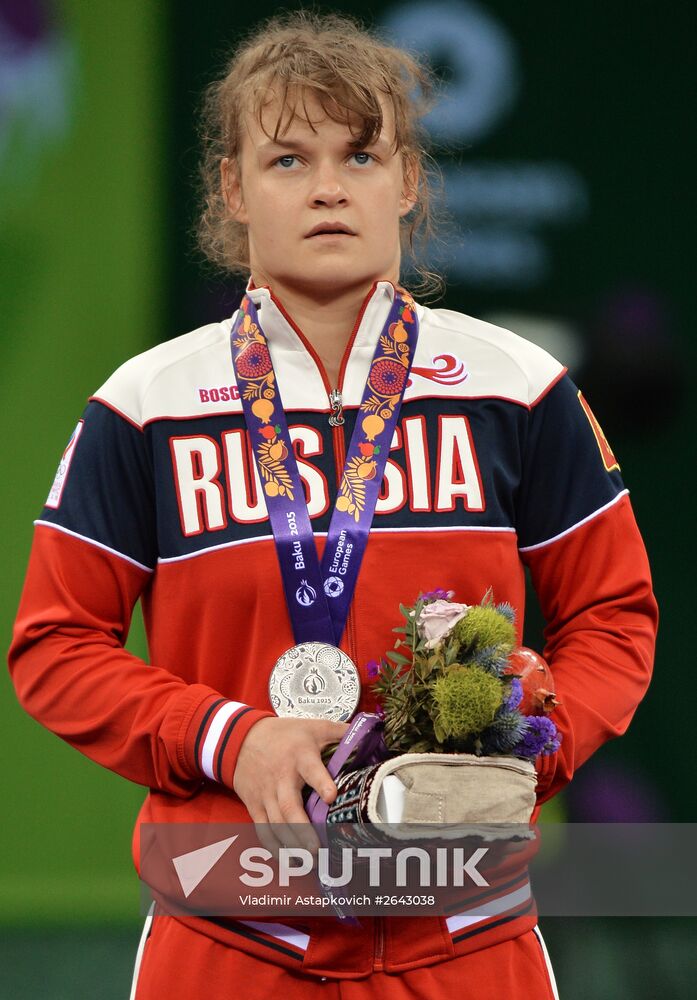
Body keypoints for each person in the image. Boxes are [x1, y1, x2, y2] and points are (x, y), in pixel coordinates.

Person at [8, 10, 657, 999]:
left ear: (406, 184)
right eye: (286, 158)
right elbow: (54, 646)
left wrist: (528, 743)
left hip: (464, 937)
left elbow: (614, 616)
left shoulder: (515, 387)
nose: (326, 187)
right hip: (229, 930)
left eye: (360, 154)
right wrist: (230, 735)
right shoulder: (145, 405)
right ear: (231, 188)